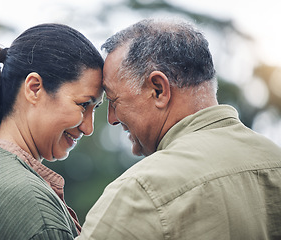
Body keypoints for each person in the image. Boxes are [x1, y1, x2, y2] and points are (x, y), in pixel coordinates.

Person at [76, 18, 281, 239]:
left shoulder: (140, 192)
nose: (112, 119)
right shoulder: (275, 161)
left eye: (114, 101)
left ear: (158, 89)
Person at [0, 23, 104, 239]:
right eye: (83, 105)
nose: (88, 128)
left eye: (95, 108)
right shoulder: (32, 206)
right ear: (34, 88)